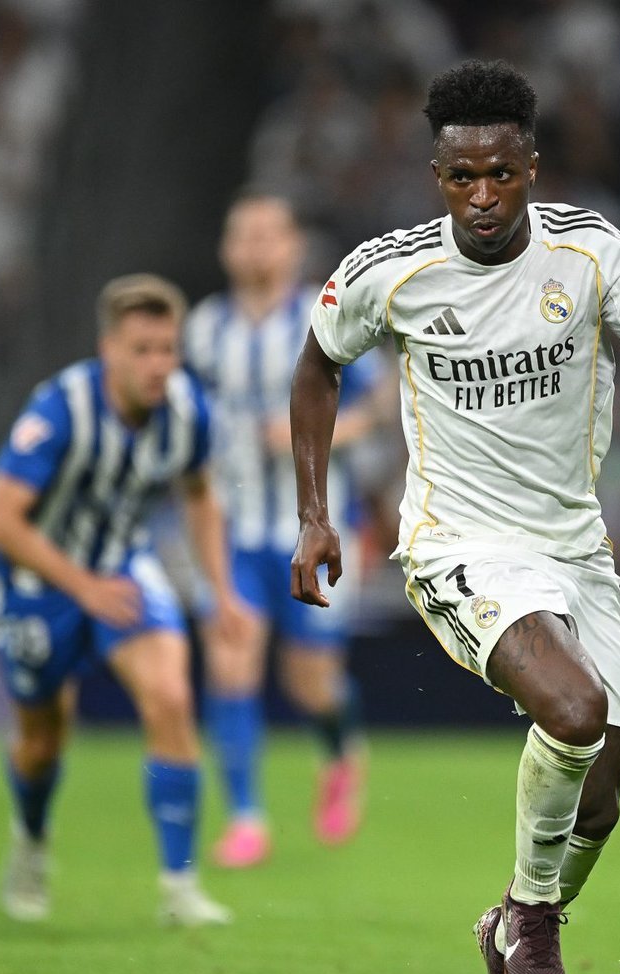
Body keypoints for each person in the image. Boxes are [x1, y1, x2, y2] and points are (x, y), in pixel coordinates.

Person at [289, 60, 620, 974]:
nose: (482, 197)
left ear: (532, 168)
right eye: (462, 178)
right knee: (575, 708)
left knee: (600, 798)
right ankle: (532, 913)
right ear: (437, 176)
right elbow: (315, 367)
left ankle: (507, 942)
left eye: (501, 175)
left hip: (575, 544)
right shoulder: (390, 270)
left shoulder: (591, 252)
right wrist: (313, 514)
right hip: (459, 543)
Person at [0, 274, 248, 927]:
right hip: (40, 583)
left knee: (171, 698)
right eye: (142, 350)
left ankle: (179, 887)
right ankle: (30, 841)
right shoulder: (59, 410)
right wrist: (83, 587)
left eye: (167, 349)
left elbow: (199, 495)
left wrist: (222, 589)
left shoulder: (187, 410)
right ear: (109, 350)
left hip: (124, 568)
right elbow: (0, 521)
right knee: (43, 739)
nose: (158, 364)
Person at [184, 194, 385, 867]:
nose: (255, 246)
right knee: (230, 659)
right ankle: (246, 817)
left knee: (309, 681)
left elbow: (378, 403)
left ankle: (341, 751)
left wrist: (316, 432)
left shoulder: (323, 316)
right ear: (226, 247)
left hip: (315, 526)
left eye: (268, 234)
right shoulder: (205, 329)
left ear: (294, 246)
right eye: (243, 234)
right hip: (232, 528)